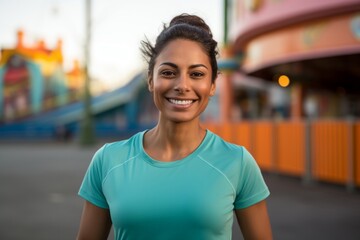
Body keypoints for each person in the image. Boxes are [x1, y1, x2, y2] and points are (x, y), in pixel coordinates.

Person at [77, 13, 272, 240]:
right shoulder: (108, 160)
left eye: (197, 74)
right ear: (151, 80)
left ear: (211, 85)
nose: (182, 85)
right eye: (168, 72)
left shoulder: (237, 162)